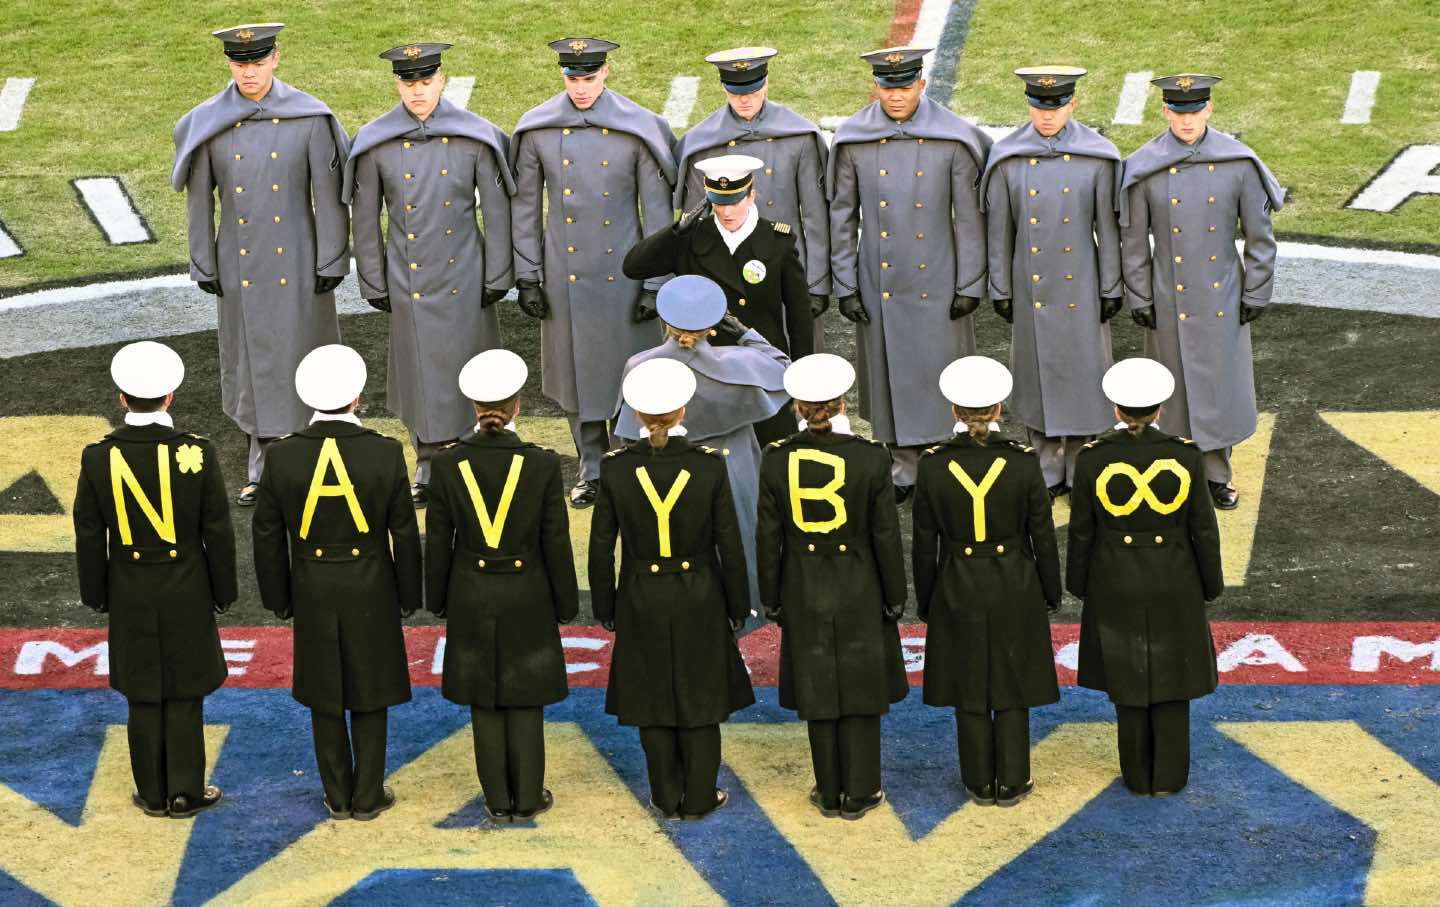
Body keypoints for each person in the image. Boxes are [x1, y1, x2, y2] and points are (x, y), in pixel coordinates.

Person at [171, 23, 351, 505]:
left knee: (304, 352)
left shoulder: (309, 117)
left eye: (257, 62)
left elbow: (329, 198)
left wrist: (333, 256)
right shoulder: (208, 121)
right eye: (239, 63)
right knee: (250, 362)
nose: (248, 72)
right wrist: (203, 262)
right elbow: (199, 201)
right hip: (239, 263)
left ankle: (317, 452)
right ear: (229, 63)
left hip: (299, 258)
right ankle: (261, 461)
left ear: (275, 59)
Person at [252, 344, 422, 821]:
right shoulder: (384, 452)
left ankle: (337, 794)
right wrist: (410, 596)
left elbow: (266, 535)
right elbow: (404, 533)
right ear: (357, 396)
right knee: (372, 688)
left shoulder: (281, 456)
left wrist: (278, 598)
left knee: (324, 691)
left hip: (311, 587)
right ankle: (368, 794)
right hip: (372, 586)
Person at [346, 42, 516, 506]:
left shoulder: (475, 137)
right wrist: (373, 281)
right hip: (408, 278)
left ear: (441, 80)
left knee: (471, 360)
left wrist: (499, 274)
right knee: (418, 370)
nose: (417, 91)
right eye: (408, 82)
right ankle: (425, 455)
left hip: (466, 272)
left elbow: (497, 213)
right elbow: (366, 220)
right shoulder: (376, 141)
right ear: (396, 83)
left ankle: (478, 448)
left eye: (425, 82)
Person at [510, 37, 677, 508]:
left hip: (624, 273)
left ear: (606, 73)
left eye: (588, 77)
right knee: (577, 376)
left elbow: (657, 212)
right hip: (566, 276)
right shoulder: (540, 129)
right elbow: (524, 207)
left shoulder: (637, 129)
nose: (580, 88)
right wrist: (528, 275)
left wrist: (656, 281)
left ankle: (631, 459)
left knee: (630, 370)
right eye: (572, 78)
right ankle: (590, 467)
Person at [72, 342, 235, 819]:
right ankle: (186, 791)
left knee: (143, 692)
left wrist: (96, 593)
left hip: (129, 590)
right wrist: (224, 593)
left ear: (122, 399)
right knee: (185, 690)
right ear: (171, 397)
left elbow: (89, 532)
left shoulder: (98, 456)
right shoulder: (197, 451)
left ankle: (151, 792)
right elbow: (218, 531)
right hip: (187, 588)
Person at [588, 358, 756, 820]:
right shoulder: (707, 466)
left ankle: (665, 795)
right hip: (700, 593)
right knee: (701, 697)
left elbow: (601, 546)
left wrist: (606, 605)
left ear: (638, 416)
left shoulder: (616, 467)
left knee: (652, 698)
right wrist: (739, 603)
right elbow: (729, 541)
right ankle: (701, 796)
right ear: (682, 411)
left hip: (640, 595)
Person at [829, 46, 993, 503]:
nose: (896, 95)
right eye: (887, 86)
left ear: (922, 84)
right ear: (875, 86)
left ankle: (945, 460)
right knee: (887, 377)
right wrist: (845, 283)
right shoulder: (855, 140)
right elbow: (842, 215)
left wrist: (969, 284)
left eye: (904, 85)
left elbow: (969, 219)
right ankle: (901, 464)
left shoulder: (954, 139)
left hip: (940, 279)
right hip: (880, 282)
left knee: (941, 373)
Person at [424, 349, 578, 822]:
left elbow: (438, 540)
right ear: (517, 405)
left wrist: (438, 600)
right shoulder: (542, 463)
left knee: (482, 699)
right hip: (528, 591)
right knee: (526, 696)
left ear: (473, 406)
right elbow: (555, 540)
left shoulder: (448, 464)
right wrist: (566, 603)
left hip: (471, 591)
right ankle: (528, 796)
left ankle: (497, 800)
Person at [1119, 74, 1284, 510]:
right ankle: (1171, 474)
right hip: (1167, 297)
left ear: (1208, 109)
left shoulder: (1238, 163)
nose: (1186, 120)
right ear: (1164, 112)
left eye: (1194, 111)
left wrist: (1256, 291)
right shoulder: (1143, 165)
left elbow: (1260, 237)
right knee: (1169, 391)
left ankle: (1216, 475)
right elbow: (1133, 242)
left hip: (1222, 298)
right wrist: (1140, 296)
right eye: (1178, 111)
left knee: (1217, 390)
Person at [756, 353, 908, 820]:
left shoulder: (776, 458)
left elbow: (768, 535)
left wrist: (772, 596)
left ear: (798, 407)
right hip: (861, 583)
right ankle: (862, 789)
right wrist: (895, 594)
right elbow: (885, 534)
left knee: (817, 686)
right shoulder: (870, 457)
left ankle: (828, 790)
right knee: (862, 685)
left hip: (802, 584)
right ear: (842, 403)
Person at [1067, 358, 1223, 797]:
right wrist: (1210, 584)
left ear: (1116, 409)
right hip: (1176, 578)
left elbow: (1082, 530)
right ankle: (1170, 778)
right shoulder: (1186, 454)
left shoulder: (1093, 457)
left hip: (1113, 578)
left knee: (1127, 677)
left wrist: (1079, 584)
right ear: (1160, 410)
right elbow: (1202, 529)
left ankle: (1137, 775)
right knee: (1175, 676)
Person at [912, 356, 1060, 807]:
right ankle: (1013, 779)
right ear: (998, 410)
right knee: (1013, 680)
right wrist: (1050, 592)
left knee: (968, 681)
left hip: (957, 581)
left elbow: (924, 543)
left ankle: (978, 780)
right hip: (1016, 580)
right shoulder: (1022, 461)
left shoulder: (933, 464)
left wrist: (927, 599)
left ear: (954, 411)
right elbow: (1042, 536)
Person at [978, 67, 1122, 498]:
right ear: (1029, 105)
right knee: (1037, 376)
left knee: (1084, 372)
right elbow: (999, 231)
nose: (1047, 116)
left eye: (1056, 107)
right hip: (1031, 288)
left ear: (1072, 105)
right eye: (1040, 107)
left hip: (1081, 285)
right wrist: (1000, 288)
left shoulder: (1097, 157)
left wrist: (1111, 287)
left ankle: (1081, 463)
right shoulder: (1007, 157)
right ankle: (1046, 462)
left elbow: (1109, 231)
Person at [614, 275, 790, 623]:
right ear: (713, 326)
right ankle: (744, 612)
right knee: (739, 543)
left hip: (663, 473)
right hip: (733, 468)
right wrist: (743, 332)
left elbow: (626, 433)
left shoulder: (641, 366)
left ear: (665, 323)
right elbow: (785, 368)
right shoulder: (741, 362)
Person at [623, 153, 812, 444]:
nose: (726, 211)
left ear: (752, 196)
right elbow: (634, 267)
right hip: (706, 370)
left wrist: (801, 380)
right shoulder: (690, 237)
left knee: (768, 453)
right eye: (719, 202)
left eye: (735, 201)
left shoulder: (778, 241)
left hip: (759, 369)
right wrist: (675, 231)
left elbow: (800, 317)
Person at [675, 47, 831, 350]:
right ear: (724, 88)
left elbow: (814, 217)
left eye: (753, 90)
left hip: (785, 272)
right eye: (736, 93)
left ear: (766, 83)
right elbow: (695, 227)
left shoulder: (799, 136)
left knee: (796, 353)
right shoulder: (701, 143)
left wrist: (816, 283)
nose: (745, 99)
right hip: (725, 274)